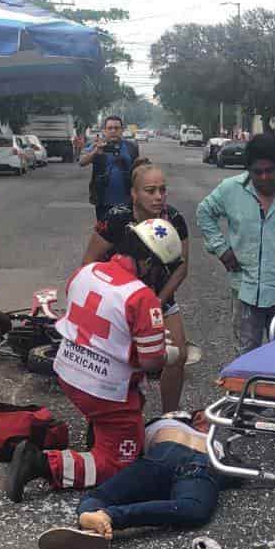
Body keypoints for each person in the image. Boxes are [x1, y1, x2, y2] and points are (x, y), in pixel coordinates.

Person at [5, 219, 183, 501]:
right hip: (105, 392)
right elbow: (152, 363)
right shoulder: (142, 297)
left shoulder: (85, 272)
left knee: (112, 418)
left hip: (67, 372)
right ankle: (40, 463)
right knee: (118, 464)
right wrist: (167, 353)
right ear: (148, 262)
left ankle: (100, 431)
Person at [36, 410, 236, 549]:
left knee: (99, 496)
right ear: (198, 417)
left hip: (166, 458)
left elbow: (127, 447)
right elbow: (233, 475)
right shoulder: (201, 434)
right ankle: (103, 517)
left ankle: (95, 516)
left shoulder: (160, 425)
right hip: (197, 463)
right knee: (194, 508)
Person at [196, 133, 275, 353]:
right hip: (245, 291)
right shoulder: (230, 189)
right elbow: (204, 213)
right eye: (257, 172)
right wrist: (221, 249)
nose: (264, 177)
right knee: (245, 358)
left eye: (270, 171)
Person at [80, 158, 191, 412]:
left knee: (178, 356)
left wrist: (156, 303)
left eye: (163, 189)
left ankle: (169, 416)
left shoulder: (174, 219)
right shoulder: (115, 219)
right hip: (118, 303)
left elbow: (182, 267)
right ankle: (112, 414)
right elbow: (89, 264)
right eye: (150, 191)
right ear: (134, 193)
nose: (159, 196)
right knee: (122, 361)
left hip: (159, 297)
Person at [79, 114, 140, 221]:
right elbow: (82, 162)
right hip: (103, 201)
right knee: (104, 233)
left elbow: (139, 171)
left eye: (116, 128)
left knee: (127, 233)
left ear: (122, 130)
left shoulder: (131, 147)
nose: (113, 131)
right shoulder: (96, 145)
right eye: (110, 128)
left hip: (127, 201)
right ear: (104, 130)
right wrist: (95, 152)